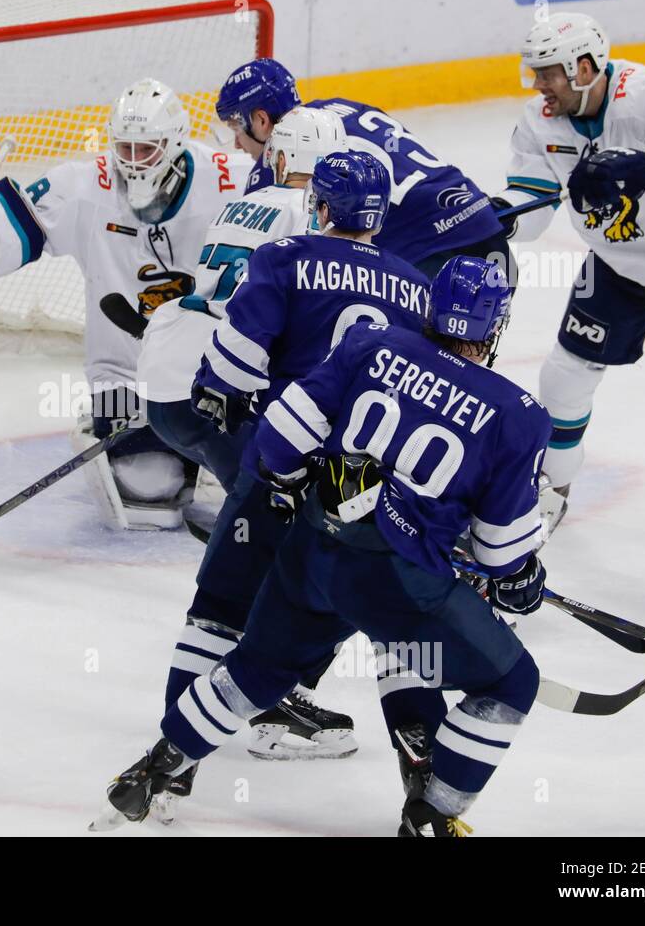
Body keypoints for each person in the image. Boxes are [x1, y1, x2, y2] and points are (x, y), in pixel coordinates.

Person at [100, 256, 550, 836]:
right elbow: (500, 554)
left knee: (255, 669)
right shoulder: (518, 415)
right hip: (402, 585)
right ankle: (431, 815)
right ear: (493, 328)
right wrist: (520, 582)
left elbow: (280, 437)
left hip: (312, 553)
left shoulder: (372, 344)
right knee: (511, 683)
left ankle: (154, 769)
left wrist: (288, 483)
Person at [143, 150, 431, 818]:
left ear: (320, 206)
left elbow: (235, 365)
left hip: (281, 456)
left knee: (217, 607)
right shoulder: (416, 287)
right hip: (354, 478)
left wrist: (221, 396)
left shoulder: (283, 256)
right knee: (352, 606)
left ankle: (173, 768)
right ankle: (423, 792)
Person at [0, 78, 253, 529]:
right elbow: (18, 222)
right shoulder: (88, 185)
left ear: (172, 145)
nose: (131, 162)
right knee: (152, 497)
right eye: (123, 148)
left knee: (267, 473)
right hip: (124, 376)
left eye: (144, 149)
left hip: (221, 374)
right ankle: (135, 427)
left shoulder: (233, 179)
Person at [497, 11, 645, 525]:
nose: (538, 83)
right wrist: (497, 217)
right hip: (621, 261)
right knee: (565, 377)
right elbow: (534, 203)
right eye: (535, 72)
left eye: (548, 72)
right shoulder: (538, 121)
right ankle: (552, 490)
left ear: (583, 67)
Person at [138, 105, 348, 492]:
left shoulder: (237, 204)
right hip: (215, 385)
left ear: (280, 159)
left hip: (163, 379)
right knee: (271, 504)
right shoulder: (310, 217)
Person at [216, 57, 510, 281]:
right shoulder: (342, 107)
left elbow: (253, 260)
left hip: (433, 261)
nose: (238, 145)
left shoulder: (282, 153)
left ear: (261, 120)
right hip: (491, 237)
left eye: (235, 128)